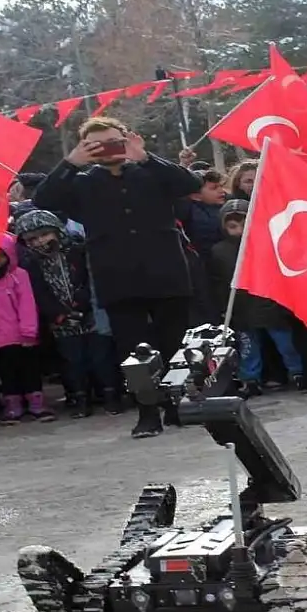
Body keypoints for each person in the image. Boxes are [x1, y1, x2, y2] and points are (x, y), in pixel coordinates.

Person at [32, 116, 201, 438]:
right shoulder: (82, 182)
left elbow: (189, 185)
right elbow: (42, 201)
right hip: (118, 279)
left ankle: (178, 405)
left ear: (127, 138)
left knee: (174, 344)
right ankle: (148, 412)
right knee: (134, 352)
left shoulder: (151, 171)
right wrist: (69, 163)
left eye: (114, 140)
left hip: (166, 274)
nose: (109, 148)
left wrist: (146, 156)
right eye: (98, 143)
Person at [15, 210, 122, 418]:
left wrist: (81, 303)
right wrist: (58, 313)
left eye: (44, 235)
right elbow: (38, 292)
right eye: (32, 239)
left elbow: (91, 278)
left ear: (57, 231)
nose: (39, 242)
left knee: (102, 357)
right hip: (61, 321)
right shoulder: (31, 264)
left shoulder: (78, 251)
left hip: (91, 313)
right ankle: (80, 398)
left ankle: (111, 396)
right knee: (73, 361)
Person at [207, 200, 304, 396]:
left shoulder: (269, 245)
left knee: (286, 344)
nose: (240, 231)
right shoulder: (219, 251)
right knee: (248, 348)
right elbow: (218, 283)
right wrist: (224, 307)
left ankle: (298, 372)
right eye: (233, 227)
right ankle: (250, 378)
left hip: (270, 304)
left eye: (245, 224)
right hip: (241, 308)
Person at [0, 234, 53, 425]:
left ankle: (36, 403)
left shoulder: (18, 276)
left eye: (0, 255)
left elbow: (27, 304)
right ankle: (13, 404)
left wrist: (29, 330)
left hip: (20, 335)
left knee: (29, 370)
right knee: (6, 373)